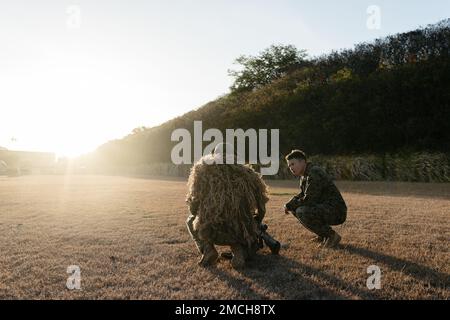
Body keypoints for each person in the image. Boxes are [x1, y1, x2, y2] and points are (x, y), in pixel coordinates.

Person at [185, 143, 278, 268]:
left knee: (191, 220)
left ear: (214, 155)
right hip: (240, 231)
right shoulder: (248, 173)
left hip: (211, 229)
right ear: (234, 156)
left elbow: (194, 199)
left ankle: (208, 249)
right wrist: (256, 221)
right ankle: (237, 251)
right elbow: (261, 204)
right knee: (240, 224)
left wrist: (196, 213)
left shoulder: (203, 170)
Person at [284, 149, 347, 248]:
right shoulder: (305, 175)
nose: (291, 168)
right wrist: (289, 204)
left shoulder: (314, 172)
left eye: (293, 164)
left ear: (302, 161)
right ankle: (323, 235)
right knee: (296, 209)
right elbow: (302, 194)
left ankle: (331, 236)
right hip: (325, 207)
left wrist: (291, 205)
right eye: (289, 166)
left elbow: (309, 199)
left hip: (336, 210)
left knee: (302, 211)